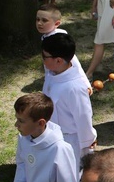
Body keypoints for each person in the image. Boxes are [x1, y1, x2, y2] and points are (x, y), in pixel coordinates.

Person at [41, 33, 96, 170]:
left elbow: (83, 117)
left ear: (58, 61)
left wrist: (87, 141)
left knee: (70, 171)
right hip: (52, 133)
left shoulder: (74, 88)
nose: (42, 60)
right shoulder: (52, 74)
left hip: (69, 140)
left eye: (45, 57)